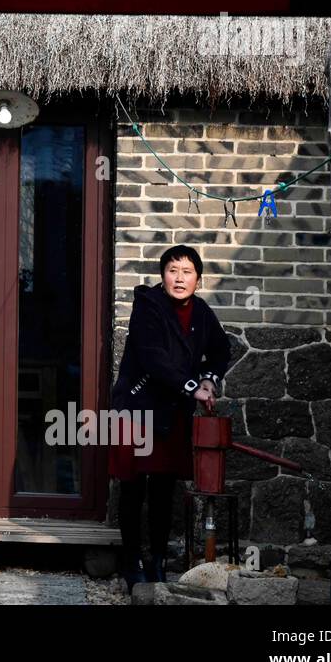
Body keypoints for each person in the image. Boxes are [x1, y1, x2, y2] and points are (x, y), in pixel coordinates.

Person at [109, 244, 230, 589]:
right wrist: (192, 385)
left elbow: (221, 350)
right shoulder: (148, 306)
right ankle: (131, 562)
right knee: (133, 488)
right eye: (173, 270)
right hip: (136, 409)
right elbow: (153, 357)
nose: (179, 278)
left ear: (198, 279)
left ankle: (158, 563)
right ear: (163, 276)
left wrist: (210, 377)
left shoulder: (202, 312)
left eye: (187, 271)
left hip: (172, 412)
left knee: (163, 490)